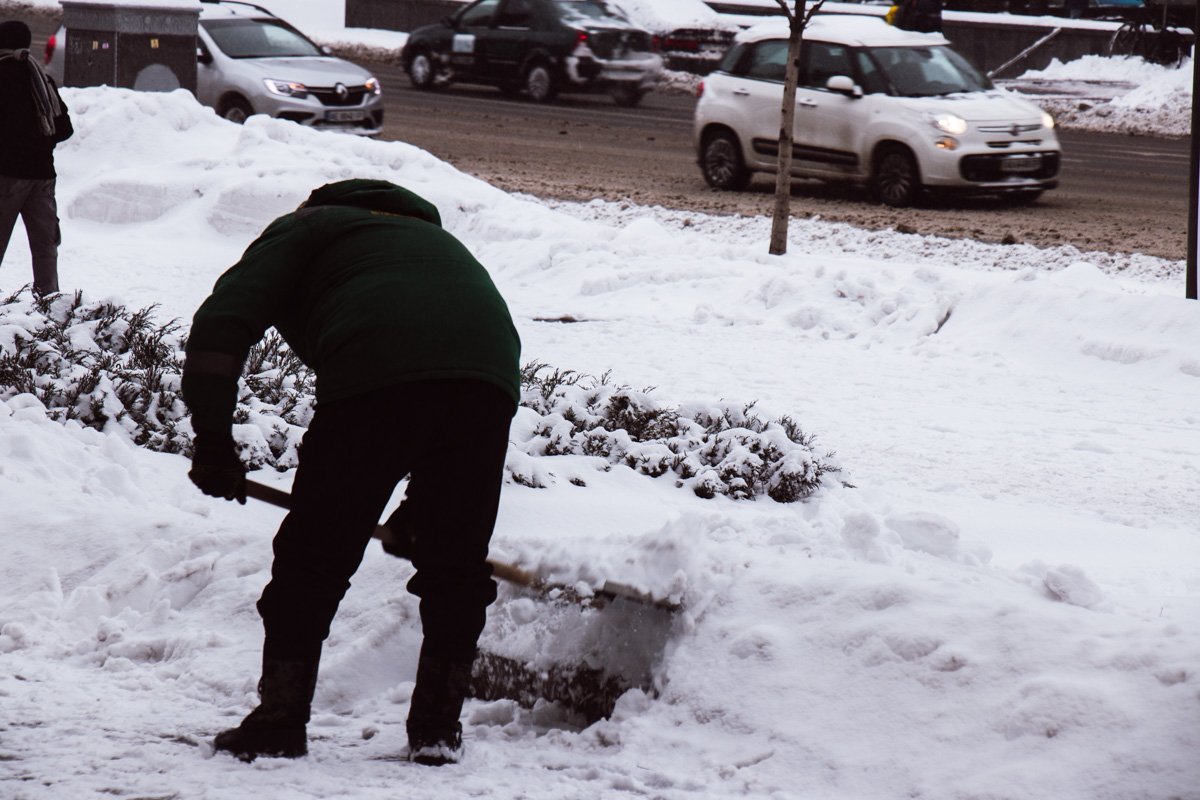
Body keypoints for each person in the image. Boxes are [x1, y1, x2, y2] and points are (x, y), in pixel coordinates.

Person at [182, 178, 521, 766]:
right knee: (455, 567)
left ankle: (280, 721)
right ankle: (437, 730)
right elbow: (442, 377)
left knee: (313, 557)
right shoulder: (434, 241)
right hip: (488, 380)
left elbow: (221, 324)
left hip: (373, 375)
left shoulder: (305, 227)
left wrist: (212, 441)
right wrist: (424, 513)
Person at [0, 19, 73, 296]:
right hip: (42, 177)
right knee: (45, 249)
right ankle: (49, 304)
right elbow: (64, 128)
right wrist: (40, 142)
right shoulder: (41, 78)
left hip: (7, 176)